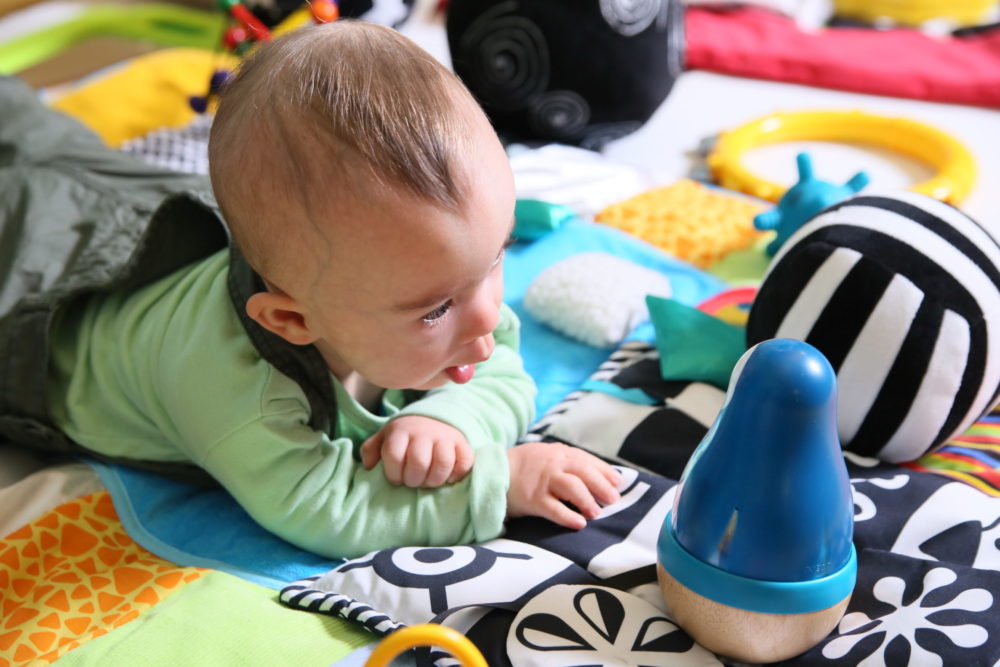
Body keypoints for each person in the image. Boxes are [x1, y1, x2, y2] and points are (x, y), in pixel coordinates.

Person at [41, 20, 621, 559]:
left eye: (495, 258)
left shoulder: (429, 289)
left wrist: (452, 419)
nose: (487, 319)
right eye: (436, 310)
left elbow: (503, 372)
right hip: (60, 333)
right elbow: (322, 506)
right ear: (293, 323)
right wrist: (500, 483)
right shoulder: (239, 395)